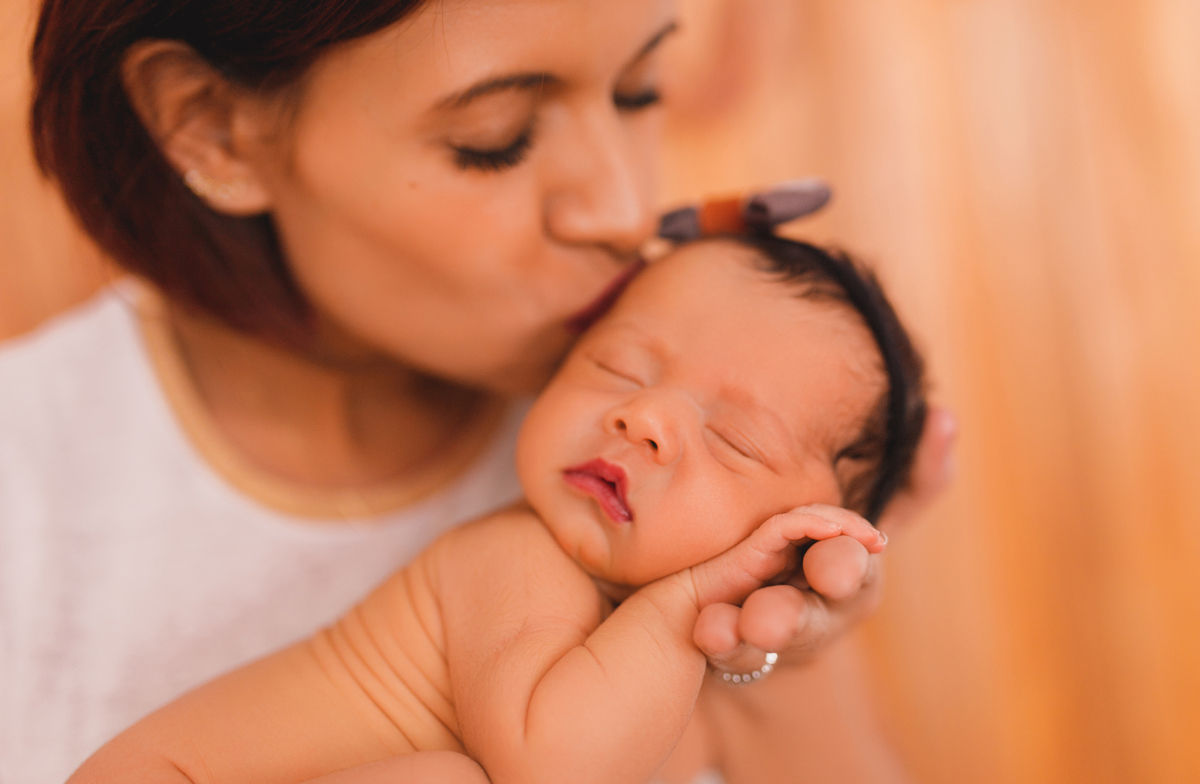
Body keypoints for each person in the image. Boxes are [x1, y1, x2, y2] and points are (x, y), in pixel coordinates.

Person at [2, 0, 955, 782]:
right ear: (212, 126)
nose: (623, 209)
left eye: (639, 89)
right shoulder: (32, 488)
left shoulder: (651, 459)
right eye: (496, 137)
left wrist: (778, 643)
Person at [67, 234, 925, 784]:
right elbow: (555, 769)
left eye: (734, 440)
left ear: (796, 543)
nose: (644, 416)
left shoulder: (659, 674)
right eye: (619, 369)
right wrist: (693, 593)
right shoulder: (517, 559)